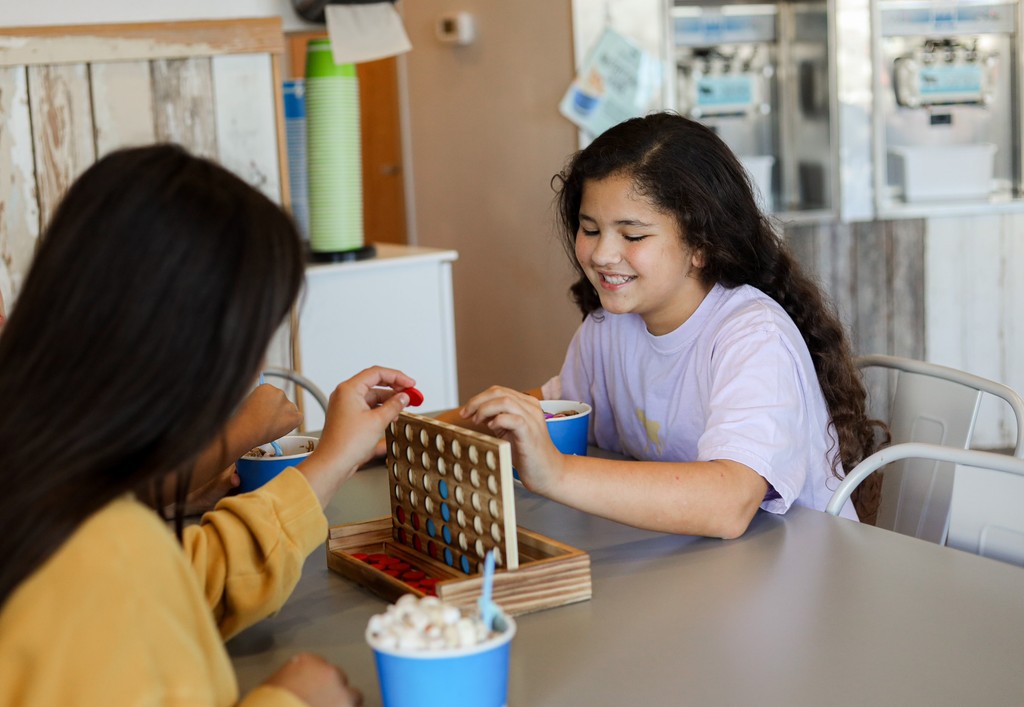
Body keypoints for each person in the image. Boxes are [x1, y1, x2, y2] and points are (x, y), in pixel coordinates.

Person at [0, 144, 419, 706]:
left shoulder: (45, 484)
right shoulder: (99, 550)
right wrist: (289, 700)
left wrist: (330, 461)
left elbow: (175, 588)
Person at [458, 112, 886, 539]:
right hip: (693, 569)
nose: (603, 254)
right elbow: (556, 413)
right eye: (590, 229)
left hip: (802, 573)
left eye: (633, 236)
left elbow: (729, 505)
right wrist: (410, 432)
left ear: (701, 246)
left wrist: (556, 472)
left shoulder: (753, 336)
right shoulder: (608, 326)